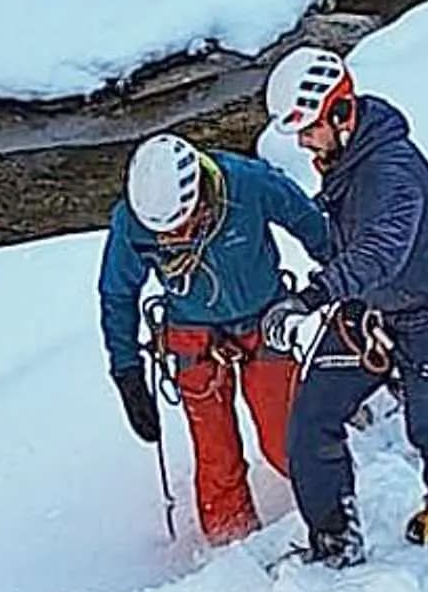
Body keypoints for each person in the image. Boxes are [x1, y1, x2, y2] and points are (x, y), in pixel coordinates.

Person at [259, 46, 428, 568]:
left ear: (341, 113)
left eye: (309, 128)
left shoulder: (392, 169)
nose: (303, 142)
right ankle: (335, 541)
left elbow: (380, 251)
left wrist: (313, 296)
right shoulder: (344, 155)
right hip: (369, 315)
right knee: (310, 423)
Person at [98, 132, 331, 544]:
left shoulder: (249, 184)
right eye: (163, 235)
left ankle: (329, 506)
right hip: (192, 334)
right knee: (215, 452)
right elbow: (118, 293)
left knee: (286, 440)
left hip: (265, 319)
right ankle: (231, 545)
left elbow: (309, 223)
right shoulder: (133, 222)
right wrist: (126, 372)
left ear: (200, 199)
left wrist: (349, 280)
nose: (170, 241)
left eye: (179, 229)